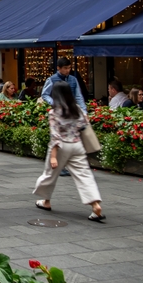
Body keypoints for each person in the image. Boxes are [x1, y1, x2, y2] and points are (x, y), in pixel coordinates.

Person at [33, 81, 105, 222]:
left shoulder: (54, 112)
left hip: (61, 147)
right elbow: (84, 125)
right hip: (77, 145)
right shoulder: (77, 108)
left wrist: (53, 156)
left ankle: (46, 201)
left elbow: (55, 136)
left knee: (50, 175)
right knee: (84, 176)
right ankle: (95, 205)